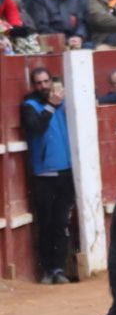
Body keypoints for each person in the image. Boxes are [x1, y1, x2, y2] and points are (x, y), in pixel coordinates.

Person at [21, 66, 73, 284]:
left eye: (45, 81)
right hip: (43, 174)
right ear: (34, 85)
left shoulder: (62, 104)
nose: (43, 86)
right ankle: (48, 269)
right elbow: (36, 128)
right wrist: (51, 105)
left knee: (60, 222)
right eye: (38, 83)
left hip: (65, 172)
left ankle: (58, 268)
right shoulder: (29, 106)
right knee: (46, 223)